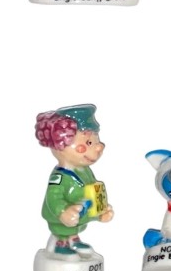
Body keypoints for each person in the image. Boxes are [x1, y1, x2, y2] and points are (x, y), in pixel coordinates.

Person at [35, 104, 114, 256]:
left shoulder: (85, 171)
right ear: (61, 146)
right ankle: (61, 242)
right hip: (60, 221)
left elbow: (92, 193)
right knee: (64, 228)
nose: (99, 147)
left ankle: (73, 239)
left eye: (96, 140)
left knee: (75, 227)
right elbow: (53, 197)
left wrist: (100, 213)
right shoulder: (59, 177)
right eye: (89, 143)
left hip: (80, 216)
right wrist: (62, 212)